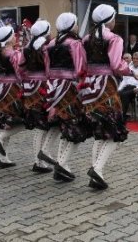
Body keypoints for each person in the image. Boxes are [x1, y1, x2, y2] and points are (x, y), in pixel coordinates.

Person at [81, 4, 135, 190]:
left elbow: (82, 64)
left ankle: (97, 173)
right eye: (114, 17)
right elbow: (116, 64)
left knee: (100, 128)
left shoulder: (86, 39)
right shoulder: (114, 38)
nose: (115, 21)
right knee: (114, 130)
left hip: (90, 86)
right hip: (107, 86)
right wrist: (131, 72)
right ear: (109, 19)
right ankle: (97, 169)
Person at [44, 12, 87, 182]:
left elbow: (48, 69)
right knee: (75, 126)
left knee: (63, 124)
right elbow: (80, 68)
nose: (77, 27)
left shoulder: (51, 43)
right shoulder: (75, 43)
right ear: (71, 26)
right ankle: (62, 164)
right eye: (76, 23)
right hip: (69, 88)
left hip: (54, 87)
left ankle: (63, 164)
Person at [20, 20, 56, 173]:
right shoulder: (46, 47)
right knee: (44, 124)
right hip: (43, 86)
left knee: (39, 124)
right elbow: (49, 69)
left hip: (30, 86)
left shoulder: (27, 47)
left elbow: (21, 67)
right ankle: (39, 161)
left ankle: (38, 160)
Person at [0, 26, 25, 168]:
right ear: (10, 38)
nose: (16, 36)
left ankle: (3, 158)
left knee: (5, 122)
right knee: (22, 121)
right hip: (12, 90)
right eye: (13, 35)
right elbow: (20, 72)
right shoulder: (14, 54)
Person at [118, 52, 138, 122]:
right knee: (118, 94)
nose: (135, 60)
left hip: (136, 89)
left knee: (124, 95)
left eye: (137, 59)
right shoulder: (129, 68)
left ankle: (122, 116)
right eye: (134, 58)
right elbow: (124, 81)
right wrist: (119, 89)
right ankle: (118, 115)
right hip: (127, 87)